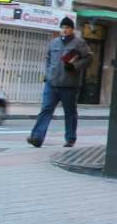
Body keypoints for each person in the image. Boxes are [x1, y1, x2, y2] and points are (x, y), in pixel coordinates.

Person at [27, 17, 92, 148]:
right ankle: (37, 138)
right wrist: (48, 74)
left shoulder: (79, 43)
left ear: (72, 29)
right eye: (62, 28)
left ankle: (70, 139)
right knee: (45, 110)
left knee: (70, 112)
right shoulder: (54, 43)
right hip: (51, 84)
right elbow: (48, 59)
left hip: (69, 85)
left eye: (67, 28)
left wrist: (75, 66)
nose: (64, 30)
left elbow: (89, 59)